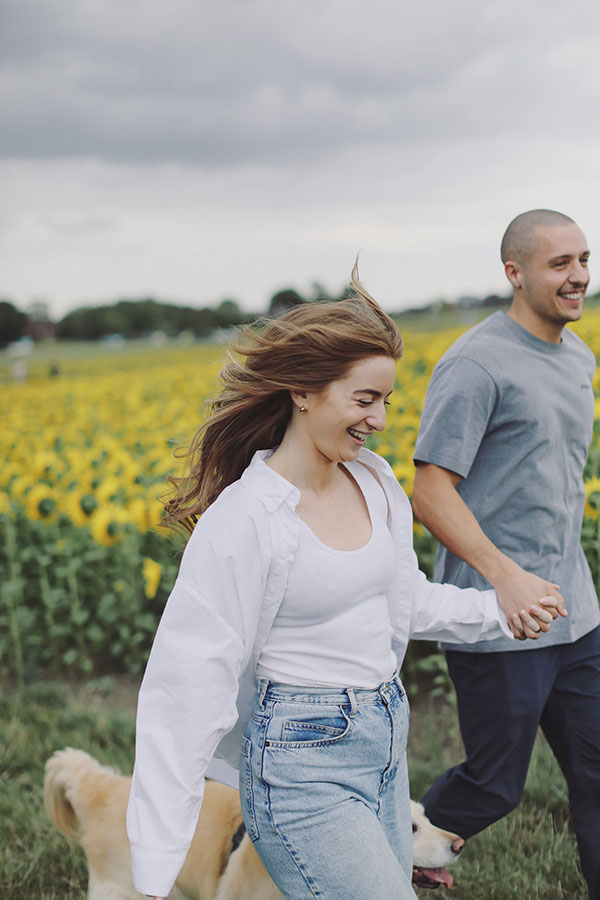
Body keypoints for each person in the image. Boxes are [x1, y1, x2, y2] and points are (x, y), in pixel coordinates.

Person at [126, 264, 559, 900]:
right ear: (303, 392)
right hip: (301, 760)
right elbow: (188, 682)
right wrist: (156, 858)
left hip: (383, 738)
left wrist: (503, 609)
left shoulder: (376, 483)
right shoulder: (247, 519)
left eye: (386, 400)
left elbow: (403, 603)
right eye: (364, 400)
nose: (380, 420)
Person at [411, 209, 600, 898]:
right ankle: (372, 858)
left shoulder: (579, 357)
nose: (578, 275)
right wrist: (506, 581)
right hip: (497, 620)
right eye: (560, 263)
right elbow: (430, 491)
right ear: (514, 273)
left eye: (583, 258)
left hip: (576, 616)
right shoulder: (476, 362)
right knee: (494, 786)